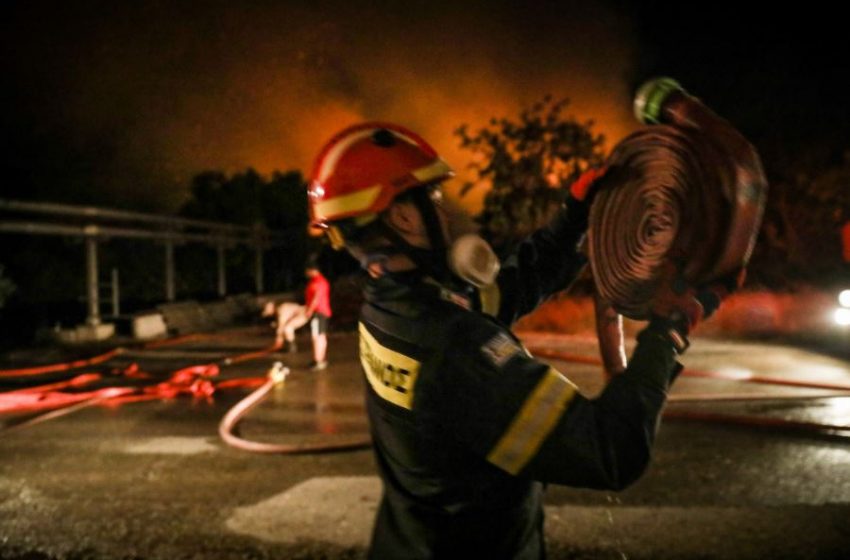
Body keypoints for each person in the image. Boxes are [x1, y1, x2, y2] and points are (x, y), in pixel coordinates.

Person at [307, 122, 736, 559]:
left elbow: (508, 290)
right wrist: (668, 335)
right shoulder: (455, 346)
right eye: (432, 197)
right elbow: (610, 448)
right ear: (402, 216)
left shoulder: (388, 309)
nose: (443, 210)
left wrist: (572, 220)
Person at [261, 263, 332, 370]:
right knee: (318, 336)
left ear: (312, 270)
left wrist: (310, 310)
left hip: (318, 312)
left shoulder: (319, 282)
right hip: (316, 311)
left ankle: (318, 360)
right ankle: (319, 359)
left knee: (317, 336)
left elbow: (316, 297)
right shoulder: (316, 281)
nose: (306, 274)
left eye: (307, 271)